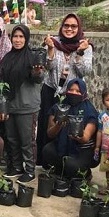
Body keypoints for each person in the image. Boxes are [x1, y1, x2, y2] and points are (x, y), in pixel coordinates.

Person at [37, 13, 92, 165]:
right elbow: (49, 67)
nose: (69, 29)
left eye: (73, 26)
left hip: (72, 95)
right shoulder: (54, 42)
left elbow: (85, 72)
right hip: (51, 90)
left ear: (78, 28)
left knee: (68, 127)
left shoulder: (85, 46)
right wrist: (50, 49)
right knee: (48, 127)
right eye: (66, 25)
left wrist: (79, 53)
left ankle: (66, 161)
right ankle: (46, 161)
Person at [0, 24, 45, 183]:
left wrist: (37, 72)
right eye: (15, 36)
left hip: (27, 106)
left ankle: (30, 170)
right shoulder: (7, 58)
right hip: (11, 106)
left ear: (26, 38)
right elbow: (2, 82)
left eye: (21, 37)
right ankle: (17, 167)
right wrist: (2, 104)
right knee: (12, 139)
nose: (17, 40)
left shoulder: (33, 57)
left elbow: (38, 78)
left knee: (27, 141)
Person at [42, 78, 99, 180]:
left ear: (84, 93)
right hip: (62, 145)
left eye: (78, 91)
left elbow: (86, 138)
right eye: (71, 90)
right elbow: (50, 134)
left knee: (72, 165)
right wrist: (58, 125)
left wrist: (77, 135)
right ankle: (61, 171)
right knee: (47, 151)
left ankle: (86, 174)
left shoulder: (90, 111)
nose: (73, 93)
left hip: (82, 150)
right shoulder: (58, 107)